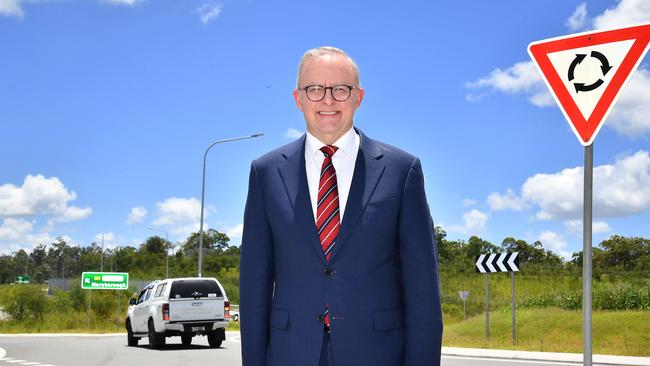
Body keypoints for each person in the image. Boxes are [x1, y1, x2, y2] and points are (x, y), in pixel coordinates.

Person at [240, 46, 443, 366]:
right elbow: (254, 285)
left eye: (340, 89)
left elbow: (423, 291)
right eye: (315, 89)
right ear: (299, 99)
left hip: (377, 353)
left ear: (358, 97)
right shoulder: (265, 173)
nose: (328, 100)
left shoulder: (402, 170)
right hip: (290, 353)